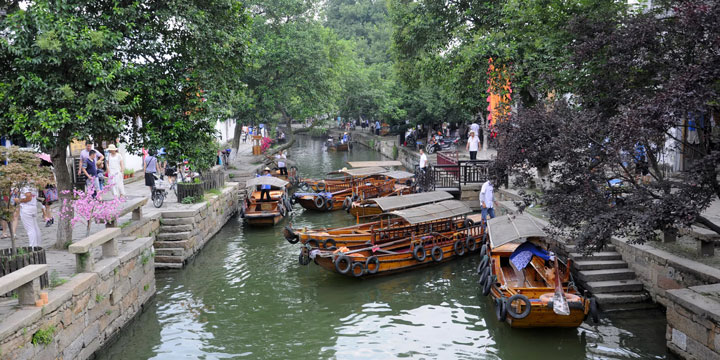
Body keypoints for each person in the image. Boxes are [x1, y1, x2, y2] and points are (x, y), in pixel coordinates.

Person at [18, 182, 41, 247]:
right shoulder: (33, 185)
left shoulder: (25, 185)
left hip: (26, 207)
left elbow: (28, 197)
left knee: (30, 229)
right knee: (35, 227)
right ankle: (38, 244)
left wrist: (19, 200)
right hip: (33, 206)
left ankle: (33, 246)